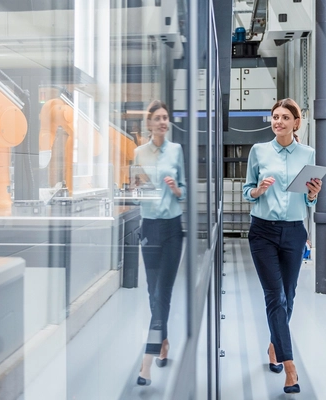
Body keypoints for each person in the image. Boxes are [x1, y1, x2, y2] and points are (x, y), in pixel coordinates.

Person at [242, 98, 322, 394]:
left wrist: (313, 195)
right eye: (275, 117)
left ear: (295, 123)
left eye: (285, 117)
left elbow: (308, 200)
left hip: (293, 233)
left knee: (288, 295)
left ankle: (275, 345)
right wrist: (257, 190)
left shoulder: (308, 153)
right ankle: (290, 368)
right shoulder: (258, 151)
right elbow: (246, 190)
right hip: (262, 232)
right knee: (275, 296)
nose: (278, 121)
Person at [133, 100, 186, 386]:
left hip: (172, 229)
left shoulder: (176, 151)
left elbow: (184, 189)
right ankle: (163, 341)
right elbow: (135, 188)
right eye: (158, 118)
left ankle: (147, 360)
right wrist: (137, 188)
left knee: (162, 293)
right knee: (153, 292)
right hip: (149, 227)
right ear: (150, 123)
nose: (163, 122)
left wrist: (176, 188)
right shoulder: (138, 152)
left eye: (166, 118)